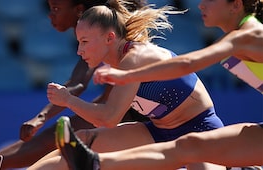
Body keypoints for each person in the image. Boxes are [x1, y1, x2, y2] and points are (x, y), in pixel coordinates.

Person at [0, 0, 150, 169]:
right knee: (62, 142)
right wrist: (44, 116)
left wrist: (44, 116)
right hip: (132, 113)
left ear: (79, 10)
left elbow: (80, 84)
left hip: (141, 117)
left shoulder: (103, 35)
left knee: (60, 139)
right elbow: (80, 85)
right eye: (49, 8)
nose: (50, 16)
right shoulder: (95, 32)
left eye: (56, 9)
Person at [50, 0, 263, 169]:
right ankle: (93, 163)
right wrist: (128, 76)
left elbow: (187, 64)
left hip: (199, 124)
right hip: (163, 131)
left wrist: (126, 76)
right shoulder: (235, 40)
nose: (201, 4)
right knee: (187, 146)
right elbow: (179, 66)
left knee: (189, 146)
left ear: (236, 4)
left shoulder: (249, 36)